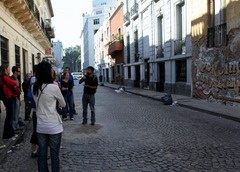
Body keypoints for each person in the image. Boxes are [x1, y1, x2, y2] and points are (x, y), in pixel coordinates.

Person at [33, 61, 65, 172]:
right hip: (54, 125)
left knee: (42, 154)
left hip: (41, 125)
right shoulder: (53, 87)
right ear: (47, 72)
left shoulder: (34, 87)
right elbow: (63, 104)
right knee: (54, 155)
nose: (53, 70)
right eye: (51, 69)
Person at [0, 64, 19, 140]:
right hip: (7, 98)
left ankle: (10, 133)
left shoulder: (5, 77)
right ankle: (7, 135)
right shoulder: (4, 77)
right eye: (8, 68)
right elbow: (14, 83)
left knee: (10, 116)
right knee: (9, 117)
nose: (9, 70)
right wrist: (15, 83)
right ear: (5, 69)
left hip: (9, 97)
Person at [11, 66, 23, 132]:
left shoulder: (16, 78)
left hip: (17, 98)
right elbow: (14, 89)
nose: (20, 72)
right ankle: (14, 128)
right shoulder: (12, 78)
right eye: (19, 71)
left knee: (17, 113)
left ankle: (16, 126)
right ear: (15, 72)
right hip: (15, 98)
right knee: (15, 113)